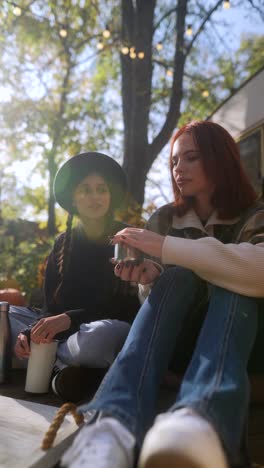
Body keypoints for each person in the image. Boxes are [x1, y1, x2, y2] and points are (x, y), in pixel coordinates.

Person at [60, 121, 264, 468]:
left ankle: (201, 421)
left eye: (191, 157)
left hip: (239, 345)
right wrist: (149, 279)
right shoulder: (165, 218)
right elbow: (151, 305)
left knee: (234, 283)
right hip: (176, 345)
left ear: (220, 158)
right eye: (173, 161)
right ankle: (111, 425)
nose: (178, 168)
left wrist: (167, 247)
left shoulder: (254, 213)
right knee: (175, 279)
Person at [9, 152, 140, 402]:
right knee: (5, 313)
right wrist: (28, 332)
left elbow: (127, 308)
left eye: (101, 189)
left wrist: (69, 319)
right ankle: (63, 370)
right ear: (74, 198)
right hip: (66, 336)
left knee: (100, 338)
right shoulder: (63, 243)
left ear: (110, 195)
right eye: (85, 190)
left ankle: (49, 364)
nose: (94, 197)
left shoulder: (126, 239)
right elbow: (49, 308)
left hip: (97, 332)